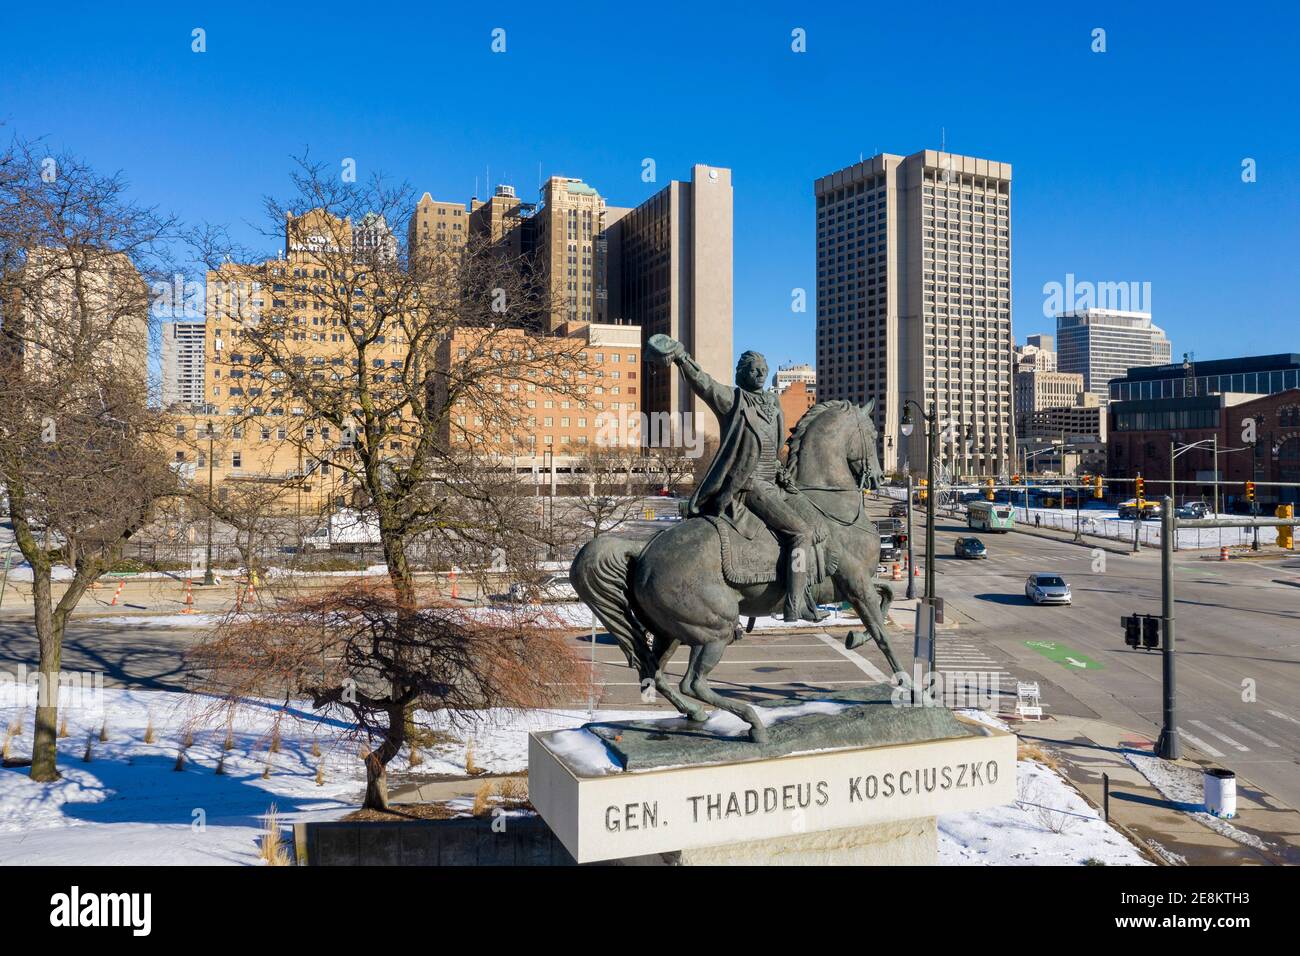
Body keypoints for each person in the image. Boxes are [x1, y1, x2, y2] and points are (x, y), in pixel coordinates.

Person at [648, 334, 825, 622]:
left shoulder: (772, 404)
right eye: (754, 368)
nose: (760, 373)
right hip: (750, 485)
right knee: (800, 532)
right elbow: (704, 383)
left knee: (817, 519)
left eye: (763, 368)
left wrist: (782, 474)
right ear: (742, 374)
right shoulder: (733, 400)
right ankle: (795, 603)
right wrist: (682, 357)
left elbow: (772, 448)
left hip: (774, 481)